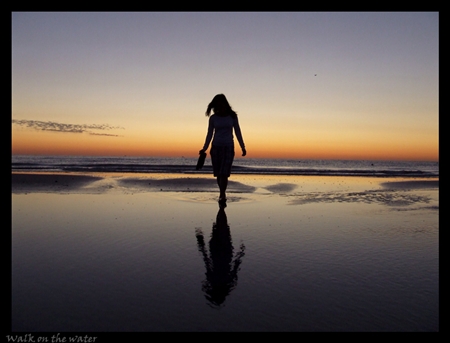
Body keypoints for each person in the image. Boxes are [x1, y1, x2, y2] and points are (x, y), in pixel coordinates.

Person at [199, 94, 246, 206]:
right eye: (217, 104)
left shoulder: (232, 116)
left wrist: (243, 146)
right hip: (216, 147)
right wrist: (204, 148)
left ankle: (222, 194)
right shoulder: (213, 118)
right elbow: (209, 134)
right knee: (219, 174)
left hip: (228, 147)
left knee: (224, 173)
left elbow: (238, 131)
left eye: (221, 103)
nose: (220, 106)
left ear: (225, 103)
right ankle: (222, 193)